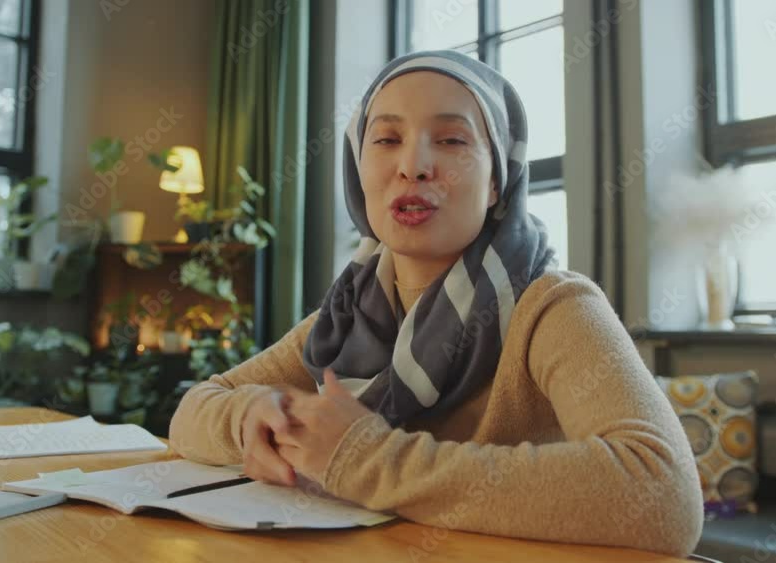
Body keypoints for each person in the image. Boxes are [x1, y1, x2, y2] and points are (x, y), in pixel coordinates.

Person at [169, 50, 703, 556]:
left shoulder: (554, 307)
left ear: (497, 181)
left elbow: (664, 494)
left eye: (451, 140)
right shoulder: (344, 319)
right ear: (359, 172)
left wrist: (365, 460)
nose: (415, 165)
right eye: (386, 139)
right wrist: (252, 416)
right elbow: (193, 411)